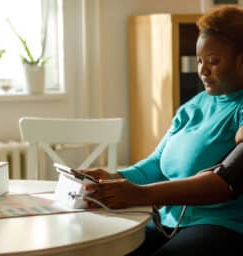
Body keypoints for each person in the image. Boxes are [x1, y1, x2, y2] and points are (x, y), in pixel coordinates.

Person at [79, 5, 243, 255]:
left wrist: (139, 195)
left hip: (221, 225)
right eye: (199, 61)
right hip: (167, 222)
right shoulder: (194, 106)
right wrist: (113, 178)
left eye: (213, 61)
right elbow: (156, 165)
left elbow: (223, 182)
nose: (202, 70)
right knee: (104, 247)